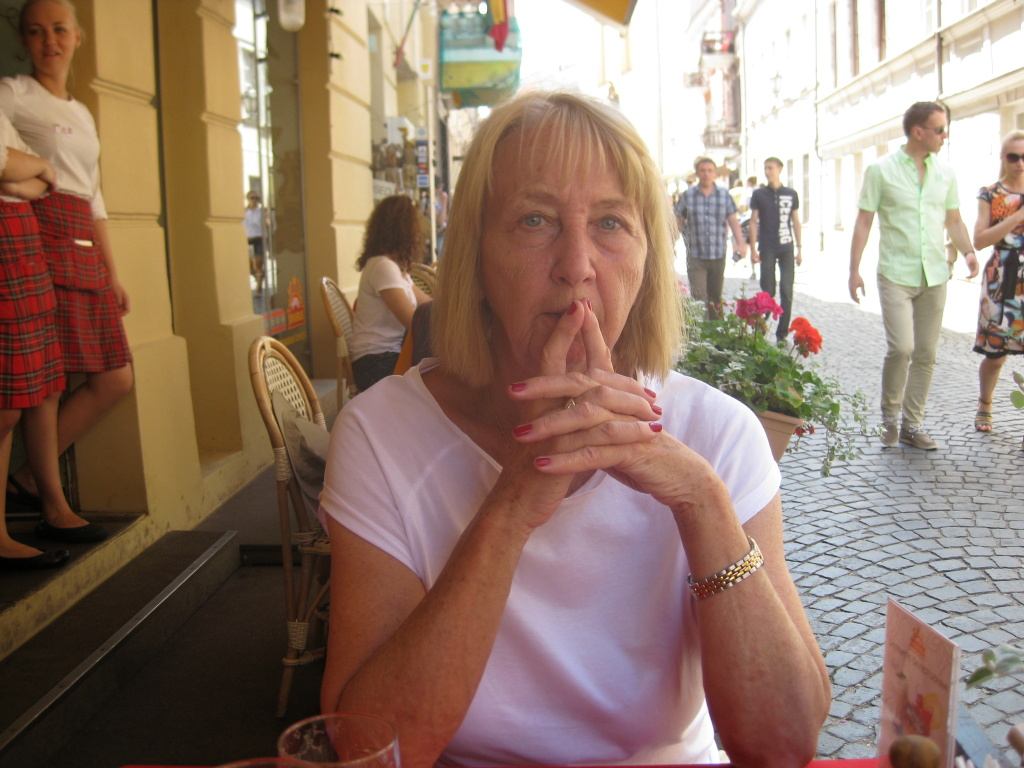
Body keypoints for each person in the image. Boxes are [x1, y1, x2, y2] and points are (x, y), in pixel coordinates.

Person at [319, 91, 830, 768]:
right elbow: (366, 745)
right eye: (535, 220)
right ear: (476, 259)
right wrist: (512, 504)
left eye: (611, 224)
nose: (577, 265)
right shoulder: (384, 435)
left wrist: (702, 503)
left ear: (648, 264)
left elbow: (783, 744)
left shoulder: (716, 433)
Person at [0, 0, 133, 540]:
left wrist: (112, 272)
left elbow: (95, 197)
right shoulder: (13, 92)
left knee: (115, 376)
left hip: (81, 236)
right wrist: (33, 178)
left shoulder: (81, 112)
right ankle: (54, 504)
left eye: (59, 30)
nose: (49, 41)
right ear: (24, 41)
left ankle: (31, 478)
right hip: (40, 234)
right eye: (36, 32)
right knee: (45, 383)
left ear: (78, 36)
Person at [849, 101, 978, 451]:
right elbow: (864, 221)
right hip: (895, 272)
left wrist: (968, 251)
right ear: (918, 132)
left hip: (935, 273)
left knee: (926, 353)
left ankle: (912, 424)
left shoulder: (946, 173)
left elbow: (954, 219)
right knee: (901, 347)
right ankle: (890, 418)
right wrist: (854, 270)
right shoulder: (880, 170)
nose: (944, 135)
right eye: (939, 129)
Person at [0, 113, 70, 569]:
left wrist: (27, 173)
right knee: (6, 405)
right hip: (8, 242)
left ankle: (12, 527)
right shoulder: (14, 95)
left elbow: (35, 186)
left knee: (23, 396)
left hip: (18, 236)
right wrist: (39, 164)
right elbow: (8, 167)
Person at [971, 130, 1024, 432]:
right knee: (996, 354)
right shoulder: (990, 194)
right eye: (1014, 157)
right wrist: (1016, 217)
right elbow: (979, 240)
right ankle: (985, 404)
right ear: (1003, 158)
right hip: (1002, 277)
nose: (1020, 163)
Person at [349, 194, 430, 391]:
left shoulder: (397, 269)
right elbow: (414, 321)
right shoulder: (382, 267)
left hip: (390, 356)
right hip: (375, 363)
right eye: (415, 227)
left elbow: (429, 304)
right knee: (443, 373)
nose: (418, 234)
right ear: (402, 230)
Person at [675, 156, 747, 317]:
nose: (706, 174)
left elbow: (733, 220)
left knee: (715, 299)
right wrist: (670, 243)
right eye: (702, 170)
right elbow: (678, 220)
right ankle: (700, 330)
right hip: (696, 255)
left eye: (710, 171)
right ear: (697, 173)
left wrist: (741, 243)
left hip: (718, 254)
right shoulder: (688, 195)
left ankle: (716, 329)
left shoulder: (724, 195)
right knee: (698, 298)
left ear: (715, 174)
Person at [750, 157, 802, 342]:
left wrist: (800, 248)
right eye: (765, 168)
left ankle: (782, 333)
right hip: (767, 247)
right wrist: (753, 249)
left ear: (779, 169)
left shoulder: (791, 193)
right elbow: (753, 222)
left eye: (770, 168)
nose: (768, 171)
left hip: (786, 246)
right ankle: (761, 327)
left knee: (787, 290)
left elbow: (796, 221)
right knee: (767, 290)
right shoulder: (759, 194)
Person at [243, 190, 269, 292]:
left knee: (258, 264)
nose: (254, 200)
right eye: (252, 198)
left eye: (257, 198)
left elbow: (268, 224)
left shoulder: (262, 211)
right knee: (249, 267)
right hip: (247, 240)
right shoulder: (243, 211)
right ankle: (260, 277)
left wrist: (266, 215)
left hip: (259, 239)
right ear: (247, 199)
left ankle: (259, 286)